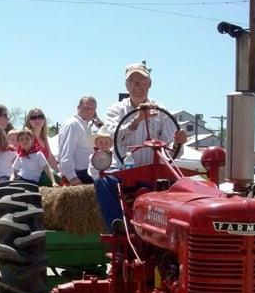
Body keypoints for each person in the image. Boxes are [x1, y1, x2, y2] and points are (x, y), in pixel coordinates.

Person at [94, 62, 187, 231]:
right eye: (132, 81)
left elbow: (172, 152)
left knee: (184, 184)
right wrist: (137, 120)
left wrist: (179, 142)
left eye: (141, 81)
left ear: (149, 84)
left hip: (154, 173)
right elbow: (116, 137)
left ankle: (176, 230)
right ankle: (118, 226)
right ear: (126, 85)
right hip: (125, 171)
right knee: (103, 181)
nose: (137, 85)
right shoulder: (116, 109)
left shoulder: (161, 111)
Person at [58, 96, 98, 185]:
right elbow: (66, 153)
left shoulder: (84, 125)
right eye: (86, 108)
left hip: (86, 172)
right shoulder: (72, 124)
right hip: (78, 174)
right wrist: (72, 177)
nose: (89, 111)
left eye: (92, 109)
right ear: (78, 107)